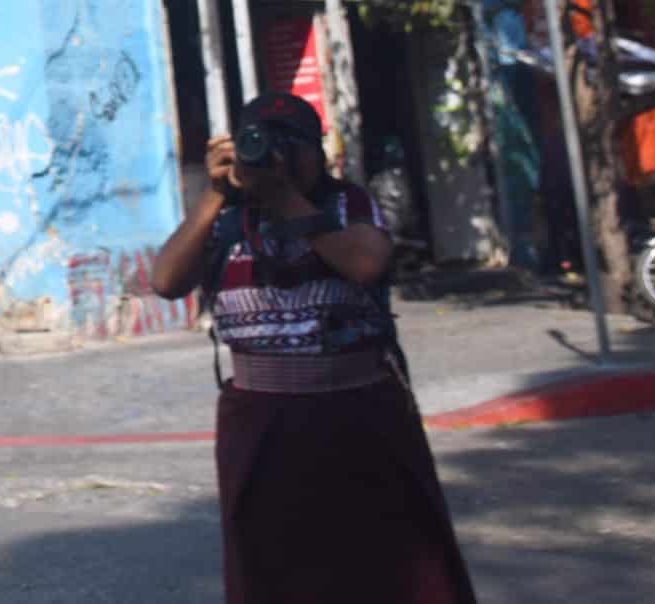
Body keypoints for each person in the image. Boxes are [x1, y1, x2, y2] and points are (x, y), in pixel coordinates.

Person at [147, 94, 477, 604]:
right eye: (258, 141)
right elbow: (166, 281)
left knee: (389, 563)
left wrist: (285, 201)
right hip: (258, 415)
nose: (270, 157)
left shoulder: (347, 205)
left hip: (357, 407)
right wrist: (215, 196)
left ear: (317, 152)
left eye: (288, 145)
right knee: (270, 567)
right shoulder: (226, 217)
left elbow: (367, 264)